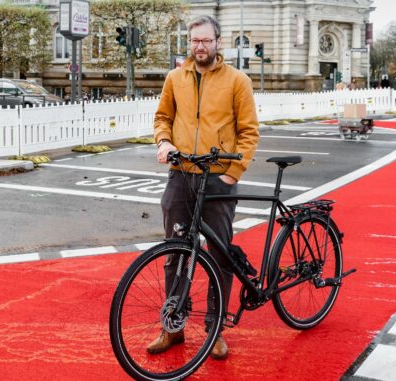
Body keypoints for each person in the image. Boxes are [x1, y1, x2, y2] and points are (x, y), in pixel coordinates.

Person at [151, 15, 260, 360]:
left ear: (218, 42)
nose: (200, 47)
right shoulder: (174, 78)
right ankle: (173, 327)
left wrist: (233, 173)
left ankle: (215, 331)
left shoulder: (237, 81)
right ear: (190, 42)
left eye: (206, 41)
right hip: (181, 175)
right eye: (195, 41)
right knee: (175, 253)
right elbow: (162, 118)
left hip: (217, 180)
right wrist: (164, 142)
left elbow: (249, 131)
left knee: (219, 256)